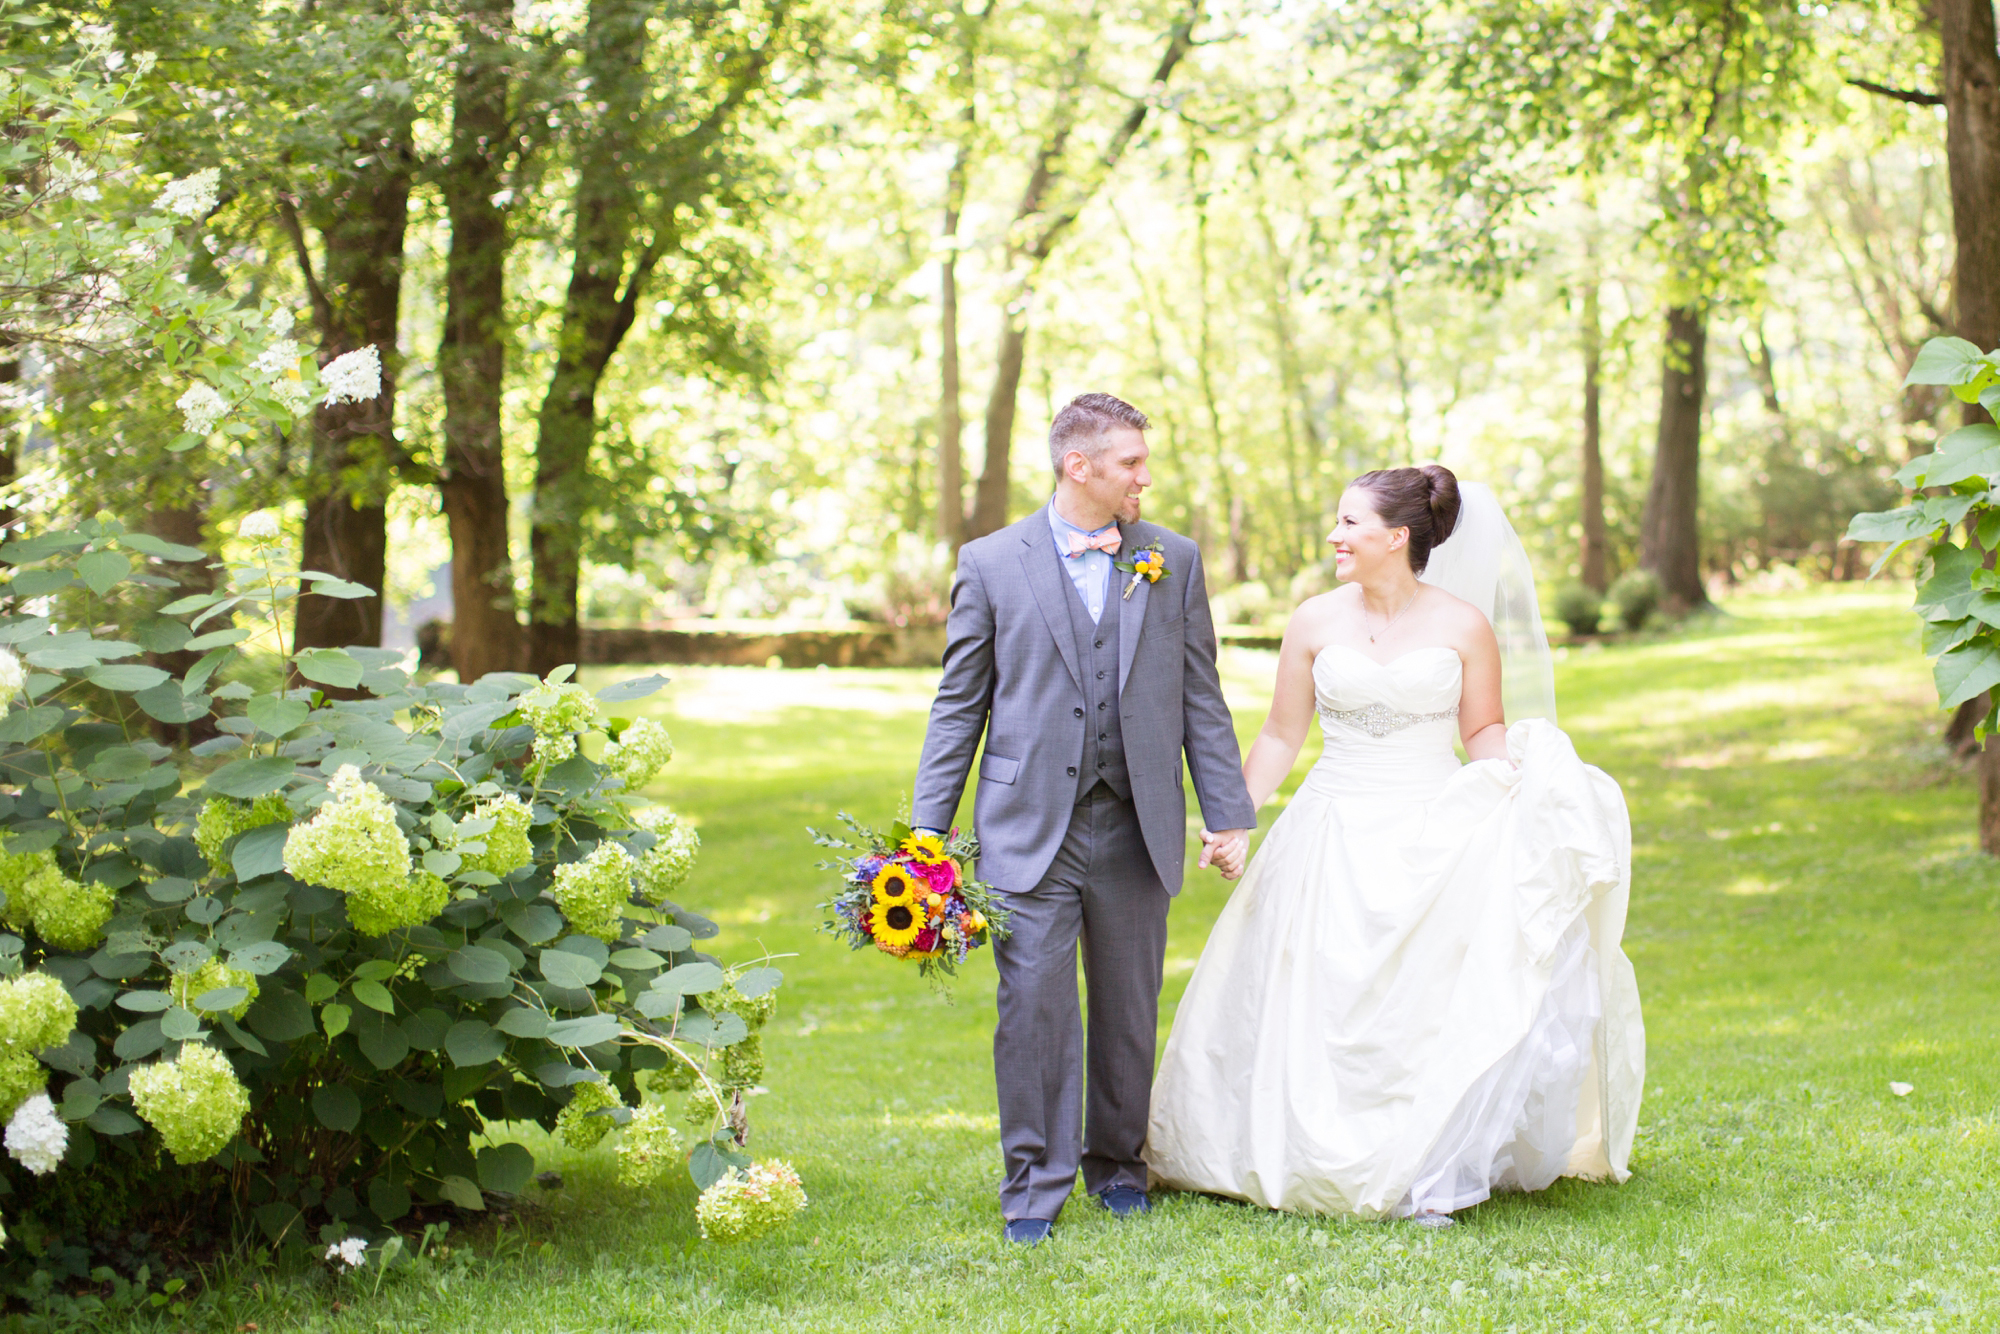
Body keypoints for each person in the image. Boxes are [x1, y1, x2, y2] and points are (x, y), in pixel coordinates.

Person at [1145, 464, 1645, 1226]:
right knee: (1308, 991)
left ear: (1397, 536)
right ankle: (1283, 1147)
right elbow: (1283, 733)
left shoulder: (1462, 624)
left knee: (1424, 998)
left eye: (1349, 523)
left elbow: (1481, 730)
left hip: (1431, 824)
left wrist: (1520, 792)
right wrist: (1233, 816)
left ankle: (1423, 1161)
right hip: (1329, 826)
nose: (1334, 536)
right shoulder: (1314, 620)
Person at [911, 392, 1256, 1245]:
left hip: (1137, 821)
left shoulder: (1172, 558)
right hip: (1027, 823)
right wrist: (927, 833)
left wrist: (1227, 813)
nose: (1146, 476)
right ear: (1081, 467)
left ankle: (1116, 1165)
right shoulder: (990, 563)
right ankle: (1032, 1183)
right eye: (1132, 462)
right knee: (1032, 1007)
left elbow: (1200, 696)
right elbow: (960, 705)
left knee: (1130, 1007)